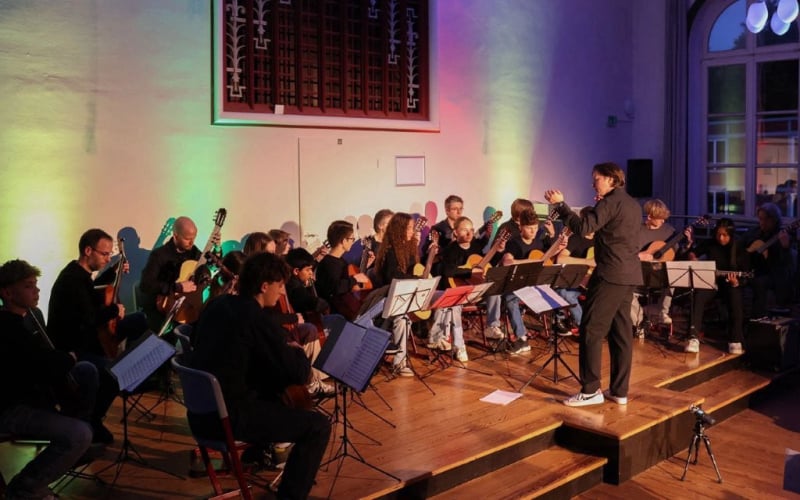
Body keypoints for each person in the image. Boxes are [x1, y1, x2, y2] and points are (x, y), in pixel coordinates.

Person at [189, 252, 331, 500]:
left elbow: (203, 343)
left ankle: (257, 453)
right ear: (265, 286)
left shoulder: (217, 305)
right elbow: (298, 373)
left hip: (199, 413)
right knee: (318, 426)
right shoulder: (255, 318)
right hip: (228, 418)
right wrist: (296, 350)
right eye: (280, 285)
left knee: (273, 390)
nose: (282, 292)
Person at [545, 161, 642, 407]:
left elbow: (583, 228)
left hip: (610, 274)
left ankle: (590, 390)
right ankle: (619, 390)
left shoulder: (610, 202)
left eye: (596, 178)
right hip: (629, 274)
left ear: (610, 179)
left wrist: (560, 205)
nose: (592, 183)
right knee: (621, 333)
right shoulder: (631, 203)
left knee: (590, 330)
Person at [0, 259, 98, 500]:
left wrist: (63, 360)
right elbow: (39, 364)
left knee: (86, 370)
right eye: (28, 286)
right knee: (79, 434)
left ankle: (75, 441)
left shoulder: (28, 317)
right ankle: (24, 488)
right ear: (7, 293)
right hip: (10, 408)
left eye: (36, 284)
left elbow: (42, 357)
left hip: (29, 394)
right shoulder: (7, 327)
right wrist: (67, 359)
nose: (36, 290)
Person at [48, 229, 149, 443]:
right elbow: (89, 318)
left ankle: (123, 362)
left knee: (139, 320)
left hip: (88, 336)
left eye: (109, 254)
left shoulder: (80, 275)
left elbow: (94, 291)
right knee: (113, 375)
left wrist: (113, 271)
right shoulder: (72, 280)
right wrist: (114, 310)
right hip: (74, 346)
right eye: (104, 254)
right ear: (88, 251)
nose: (107, 258)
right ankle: (92, 419)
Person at [431, 216, 504, 362]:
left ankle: (491, 326)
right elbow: (447, 271)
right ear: (456, 233)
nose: (469, 233)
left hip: (475, 290)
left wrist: (499, 251)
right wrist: (469, 272)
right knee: (455, 306)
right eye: (465, 230)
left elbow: (487, 264)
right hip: (459, 290)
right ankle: (459, 345)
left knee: (495, 289)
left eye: (471, 229)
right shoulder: (451, 250)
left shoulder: (476, 247)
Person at [684, 218, 751, 354]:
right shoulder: (711, 243)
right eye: (718, 234)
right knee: (698, 296)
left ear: (731, 235)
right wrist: (693, 257)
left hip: (729, 285)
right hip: (711, 282)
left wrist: (736, 282)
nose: (721, 238)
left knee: (735, 296)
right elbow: (693, 252)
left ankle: (735, 339)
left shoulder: (738, 247)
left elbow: (746, 274)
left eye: (725, 235)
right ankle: (693, 338)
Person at [499, 208, 561, 353]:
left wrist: (555, 239)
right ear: (521, 227)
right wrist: (531, 262)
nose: (533, 231)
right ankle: (522, 338)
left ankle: (558, 325)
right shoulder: (514, 243)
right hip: (519, 285)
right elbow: (507, 262)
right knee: (509, 299)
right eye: (529, 228)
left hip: (537, 284)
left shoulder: (540, 242)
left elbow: (547, 259)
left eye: (535, 227)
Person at [370, 213, 420, 375]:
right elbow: (394, 278)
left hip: (401, 296)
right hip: (386, 299)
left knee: (405, 318)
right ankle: (399, 363)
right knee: (402, 319)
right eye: (409, 228)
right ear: (399, 230)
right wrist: (416, 279)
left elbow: (412, 270)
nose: (412, 231)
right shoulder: (390, 251)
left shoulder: (408, 249)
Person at [139, 216, 202, 331]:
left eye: (194, 238)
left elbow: (205, 266)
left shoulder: (194, 252)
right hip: (161, 310)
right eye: (187, 239)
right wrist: (177, 287)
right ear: (175, 236)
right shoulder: (159, 255)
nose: (192, 242)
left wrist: (217, 250)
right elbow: (145, 285)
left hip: (186, 307)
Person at [743, 202, 795, 317]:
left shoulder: (782, 235)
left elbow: (787, 264)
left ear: (774, 220)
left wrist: (785, 247)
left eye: (766, 219)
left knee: (760, 283)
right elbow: (741, 244)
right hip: (751, 270)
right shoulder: (754, 232)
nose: (762, 222)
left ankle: (758, 320)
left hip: (771, 273)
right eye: (760, 219)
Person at [633, 199, 677, 330]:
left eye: (664, 218)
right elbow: (628, 252)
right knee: (625, 291)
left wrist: (688, 244)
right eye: (659, 218)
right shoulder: (637, 230)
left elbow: (675, 253)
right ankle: (639, 320)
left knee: (674, 278)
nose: (663, 221)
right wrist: (640, 255)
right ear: (649, 216)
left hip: (661, 274)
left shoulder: (669, 231)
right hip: (640, 273)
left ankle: (662, 312)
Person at [314, 220, 370, 320]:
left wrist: (366, 264)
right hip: (336, 314)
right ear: (343, 241)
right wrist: (355, 279)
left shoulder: (340, 261)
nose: (353, 242)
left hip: (345, 310)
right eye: (352, 239)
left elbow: (349, 282)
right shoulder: (328, 264)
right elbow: (335, 288)